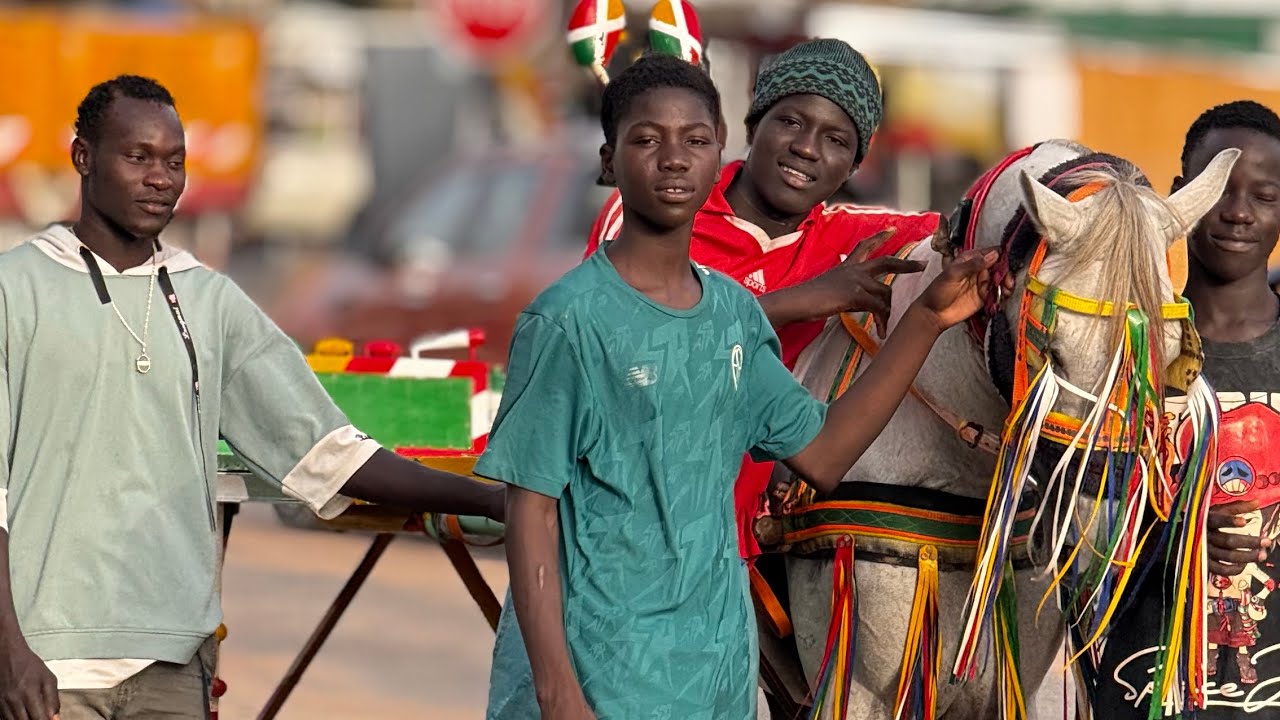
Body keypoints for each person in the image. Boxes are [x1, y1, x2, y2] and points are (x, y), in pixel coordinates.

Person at [478, 53, 997, 719]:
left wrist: (924, 320)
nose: (673, 159)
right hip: (598, 662)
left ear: (716, 149)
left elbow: (825, 453)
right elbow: (532, 510)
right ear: (609, 163)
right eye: (646, 140)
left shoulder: (732, 313)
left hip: (715, 670)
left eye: (694, 141)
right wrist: (557, 692)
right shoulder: (566, 319)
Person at [0, 75, 504, 720]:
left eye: (175, 162)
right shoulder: (17, 289)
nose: (161, 177)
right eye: (138, 157)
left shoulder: (211, 300)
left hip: (173, 665)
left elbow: (328, 454)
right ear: (83, 158)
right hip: (44, 667)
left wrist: (486, 497)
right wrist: (11, 651)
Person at [586, 38, 943, 563]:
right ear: (753, 127)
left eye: (837, 139)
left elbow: (977, 222)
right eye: (791, 121)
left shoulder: (848, 239)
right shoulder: (656, 205)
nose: (807, 147)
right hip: (612, 539)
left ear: (853, 166)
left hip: (726, 557)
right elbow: (627, 349)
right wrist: (807, 299)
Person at [1093, 100, 1280, 717]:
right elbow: (1062, 514)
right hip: (1132, 689)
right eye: (1217, 190)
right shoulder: (1118, 342)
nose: (1236, 212)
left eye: (1265, 195)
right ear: (1178, 196)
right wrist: (1178, 535)